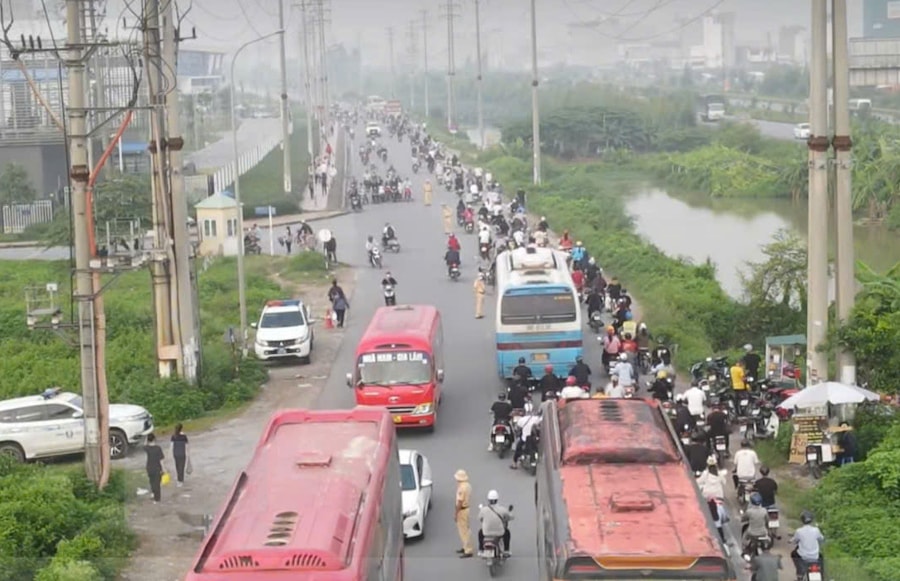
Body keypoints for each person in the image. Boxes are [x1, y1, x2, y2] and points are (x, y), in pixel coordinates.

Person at [477, 490, 513, 555]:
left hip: (486, 533)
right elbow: (510, 517)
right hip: (499, 532)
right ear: (497, 499)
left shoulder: (484, 510)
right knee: (507, 532)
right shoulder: (502, 509)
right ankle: (506, 550)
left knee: (480, 533)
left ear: (488, 499)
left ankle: (481, 550)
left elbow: (480, 518)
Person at [790, 511, 824, 579]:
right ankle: (822, 574)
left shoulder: (799, 531)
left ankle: (799, 573)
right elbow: (821, 538)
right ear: (811, 520)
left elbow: (794, 540)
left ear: (802, 520)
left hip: (803, 556)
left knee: (793, 554)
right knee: (821, 557)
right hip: (815, 556)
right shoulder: (816, 530)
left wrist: (790, 541)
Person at [454, 469, 474, 558]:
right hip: (467, 509)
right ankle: (465, 546)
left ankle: (468, 550)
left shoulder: (461, 488)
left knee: (463, 531)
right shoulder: (468, 485)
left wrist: (456, 513)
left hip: (462, 510)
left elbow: (460, 502)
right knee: (466, 529)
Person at [144, 433, 168, 503]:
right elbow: (161, 460)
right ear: (155, 439)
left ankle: (153, 494)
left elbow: (144, 445)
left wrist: (146, 438)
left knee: (151, 482)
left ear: (148, 440)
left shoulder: (147, 448)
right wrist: (164, 468)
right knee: (157, 483)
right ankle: (157, 498)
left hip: (149, 467)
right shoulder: (158, 448)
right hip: (157, 468)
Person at [170, 423, 190, 487]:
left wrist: (169, 454)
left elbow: (171, 446)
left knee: (177, 466)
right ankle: (180, 480)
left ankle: (179, 479)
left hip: (175, 453)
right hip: (182, 453)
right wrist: (188, 454)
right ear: (181, 428)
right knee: (181, 467)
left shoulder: (173, 436)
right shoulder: (184, 436)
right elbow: (187, 446)